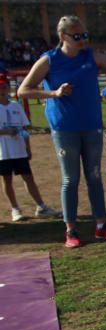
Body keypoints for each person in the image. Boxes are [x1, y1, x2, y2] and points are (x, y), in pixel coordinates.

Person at [16, 15, 106, 247]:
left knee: (94, 177)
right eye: (78, 36)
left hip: (92, 126)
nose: (83, 40)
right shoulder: (49, 60)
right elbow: (23, 91)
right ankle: (71, 229)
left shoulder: (91, 56)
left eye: (85, 35)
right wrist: (53, 93)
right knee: (70, 179)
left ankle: (102, 225)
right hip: (65, 128)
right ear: (63, 37)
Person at [0, 73, 59, 222]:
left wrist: (28, 148)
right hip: (3, 151)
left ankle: (41, 206)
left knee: (28, 177)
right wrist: (4, 132)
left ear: (8, 88)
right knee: (7, 180)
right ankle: (15, 209)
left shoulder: (16, 106)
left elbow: (24, 129)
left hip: (18, 148)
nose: (2, 90)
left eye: (4, 87)